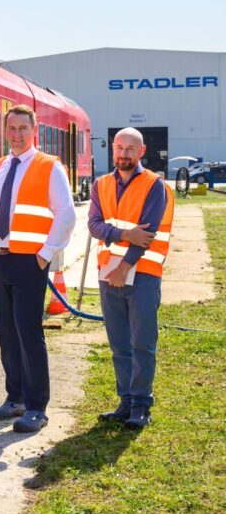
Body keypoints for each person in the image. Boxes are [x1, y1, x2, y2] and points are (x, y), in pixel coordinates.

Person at [0, 105, 76, 433]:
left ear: (34, 130)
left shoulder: (49, 167)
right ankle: (14, 397)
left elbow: (66, 216)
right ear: (4, 131)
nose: (17, 134)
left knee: (29, 332)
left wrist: (45, 255)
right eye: (12, 128)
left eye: (23, 128)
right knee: (5, 331)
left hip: (29, 261)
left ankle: (37, 406)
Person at [89, 127, 174, 430]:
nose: (123, 154)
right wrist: (125, 234)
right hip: (107, 274)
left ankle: (141, 404)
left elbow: (148, 233)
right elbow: (95, 226)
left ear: (141, 152)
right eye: (119, 147)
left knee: (142, 344)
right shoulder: (100, 185)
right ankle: (125, 401)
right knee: (119, 343)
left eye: (130, 149)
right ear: (113, 149)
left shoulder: (155, 186)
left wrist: (124, 267)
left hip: (143, 275)